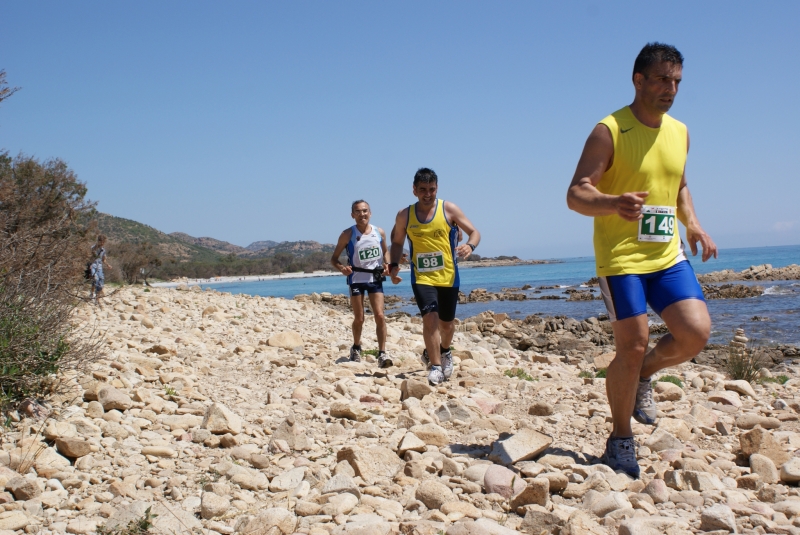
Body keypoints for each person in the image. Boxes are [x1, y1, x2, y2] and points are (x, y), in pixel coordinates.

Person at [567, 43, 717, 478]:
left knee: (695, 333)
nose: (671, 89)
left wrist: (694, 224)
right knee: (630, 347)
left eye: (677, 82)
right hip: (620, 259)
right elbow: (576, 193)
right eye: (662, 80)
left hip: (667, 254)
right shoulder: (609, 130)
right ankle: (619, 439)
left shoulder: (681, 131)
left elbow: (680, 184)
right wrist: (613, 202)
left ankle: (644, 376)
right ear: (639, 80)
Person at [389, 168, 481, 386]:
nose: (427, 194)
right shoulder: (405, 215)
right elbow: (396, 242)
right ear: (414, 190)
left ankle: (444, 351)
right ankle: (436, 367)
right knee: (430, 319)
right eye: (422, 190)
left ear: (436, 188)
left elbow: (475, 232)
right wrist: (393, 265)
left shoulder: (448, 209)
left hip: (448, 276)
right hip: (421, 277)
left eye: (431, 189)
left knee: (447, 325)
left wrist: (470, 246)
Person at [331, 200, 393, 368]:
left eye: (365, 211)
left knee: (380, 315)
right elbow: (334, 259)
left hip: (375, 278)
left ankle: (382, 353)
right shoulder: (347, 234)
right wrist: (342, 268)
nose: (362, 214)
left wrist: (387, 265)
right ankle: (356, 347)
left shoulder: (379, 232)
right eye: (358, 212)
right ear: (352, 215)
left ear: (370, 213)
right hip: (356, 279)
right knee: (359, 318)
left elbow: (385, 252)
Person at [90, 235, 113, 304]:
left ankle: (97, 298)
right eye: (101, 242)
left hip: (99, 267)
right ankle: (92, 293)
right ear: (98, 241)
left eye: (103, 242)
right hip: (93, 265)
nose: (102, 243)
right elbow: (90, 257)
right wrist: (90, 265)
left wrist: (108, 265)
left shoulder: (103, 250)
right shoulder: (93, 248)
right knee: (95, 279)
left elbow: (103, 260)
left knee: (100, 282)